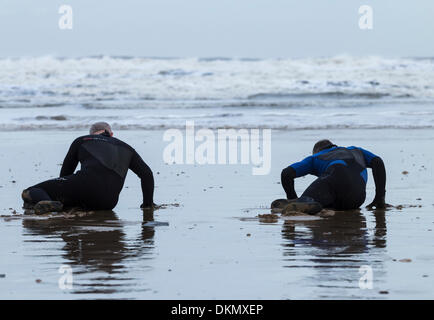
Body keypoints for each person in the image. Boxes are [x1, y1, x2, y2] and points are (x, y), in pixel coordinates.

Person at [22, 122, 155, 214]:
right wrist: (147, 205)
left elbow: (66, 173)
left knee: (32, 190)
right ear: (111, 134)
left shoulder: (83, 140)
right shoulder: (127, 148)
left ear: (91, 133)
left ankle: (52, 204)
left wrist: (60, 192)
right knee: (83, 196)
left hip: (83, 187)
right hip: (108, 202)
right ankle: (66, 204)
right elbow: (147, 174)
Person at [277, 139, 386, 215]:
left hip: (335, 179)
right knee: (330, 196)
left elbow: (286, 174)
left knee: (314, 197)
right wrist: (379, 198)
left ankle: (303, 202)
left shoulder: (315, 157)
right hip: (356, 199)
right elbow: (378, 162)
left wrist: (292, 199)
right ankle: (314, 203)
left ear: (316, 151)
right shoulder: (356, 150)